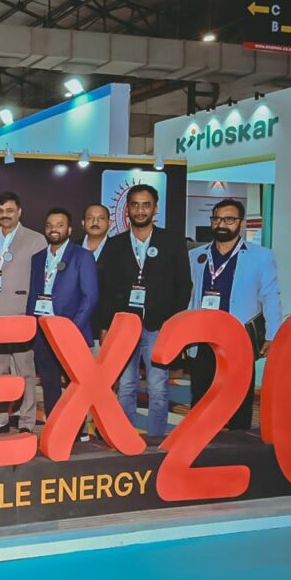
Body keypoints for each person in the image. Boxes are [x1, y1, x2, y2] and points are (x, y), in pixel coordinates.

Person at [97, 184, 192, 439]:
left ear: (155, 209)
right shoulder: (114, 245)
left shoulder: (172, 242)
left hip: (159, 326)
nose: (140, 210)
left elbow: (184, 285)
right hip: (123, 328)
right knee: (126, 385)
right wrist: (104, 326)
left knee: (158, 387)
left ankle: (155, 440)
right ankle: (124, 437)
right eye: (135, 205)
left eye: (146, 205)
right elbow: (105, 288)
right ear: (127, 209)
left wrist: (174, 325)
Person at [187, 199, 281, 430]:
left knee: (239, 398)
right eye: (217, 219)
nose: (221, 224)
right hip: (202, 338)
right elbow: (189, 297)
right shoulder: (196, 255)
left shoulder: (261, 256)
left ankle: (240, 443)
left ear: (241, 223)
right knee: (201, 396)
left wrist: (273, 335)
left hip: (238, 339)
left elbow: (271, 297)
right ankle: (199, 443)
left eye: (229, 219)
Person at [0, 192, 47, 435]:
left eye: (9, 211)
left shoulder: (35, 240)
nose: (4, 215)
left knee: (25, 370)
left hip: (20, 314)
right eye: (0, 211)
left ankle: (27, 421)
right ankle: (0, 417)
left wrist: (34, 315)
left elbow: (40, 281)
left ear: (19, 212)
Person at [27, 208, 98, 432]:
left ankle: (75, 430)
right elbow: (33, 295)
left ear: (69, 229)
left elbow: (90, 297)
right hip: (42, 332)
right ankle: (56, 427)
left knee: (75, 384)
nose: (53, 229)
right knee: (49, 383)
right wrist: (32, 327)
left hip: (71, 333)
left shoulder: (82, 256)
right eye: (49, 225)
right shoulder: (38, 258)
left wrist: (71, 330)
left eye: (59, 225)